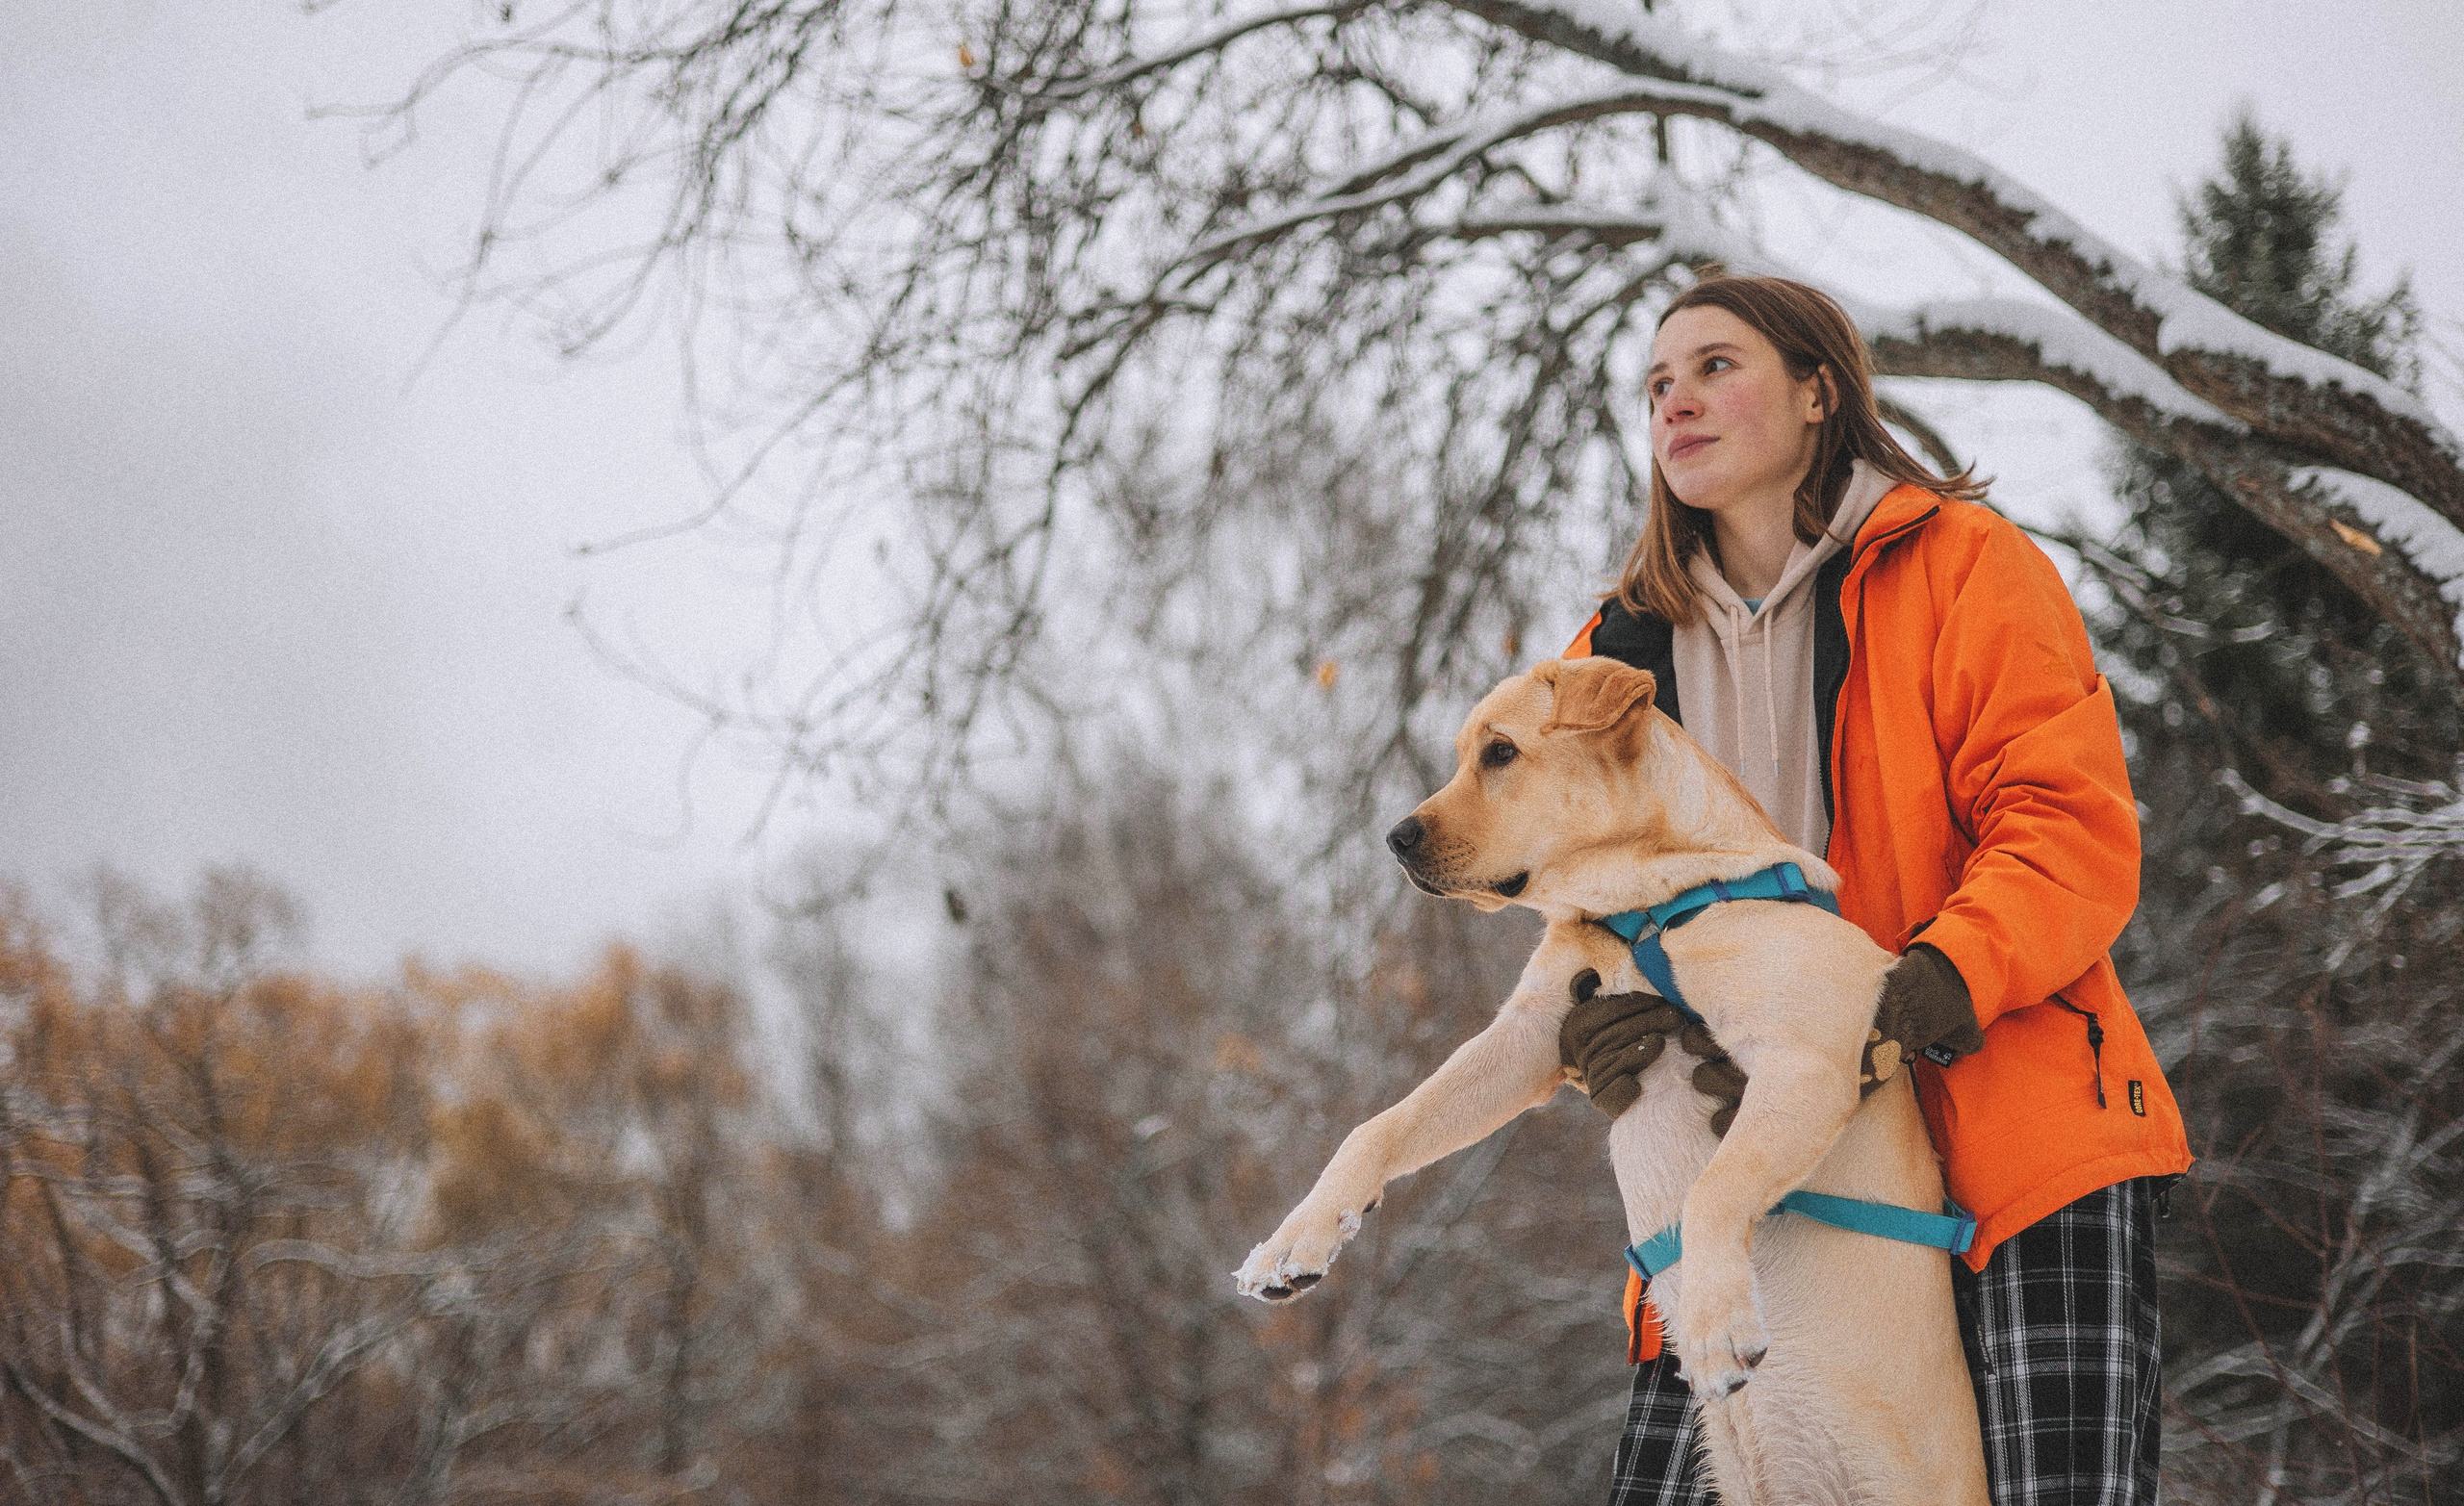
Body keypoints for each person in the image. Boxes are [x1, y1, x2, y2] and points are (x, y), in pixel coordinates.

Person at [1556, 275, 2193, 1506]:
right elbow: (1575, 895)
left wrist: (1940, 974)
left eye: (1713, 366)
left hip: (2008, 1134)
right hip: (1747, 1153)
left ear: (1816, 391)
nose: (1673, 401)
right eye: (1655, 384)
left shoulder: (1962, 563)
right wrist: (1592, 1006)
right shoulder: (1610, 659)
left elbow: (2065, 819)